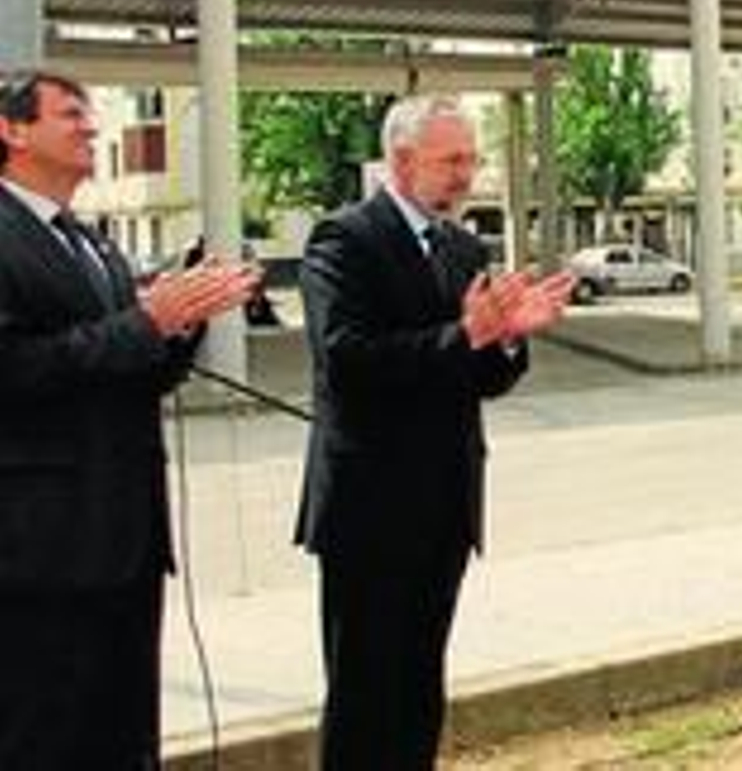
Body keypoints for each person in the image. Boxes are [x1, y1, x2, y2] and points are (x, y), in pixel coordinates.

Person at [295, 95, 576, 769]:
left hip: (445, 502)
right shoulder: (345, 239)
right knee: (367, 691)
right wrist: (468, 333)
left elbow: (481, 376)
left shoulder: (461, 245)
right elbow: (348, 361)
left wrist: (507, 340)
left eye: (472, 159)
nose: (466, 174)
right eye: (451, 160)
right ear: (401, 159)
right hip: (371, 506)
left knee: (421, 684)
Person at [0, 69, 258, 768]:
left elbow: (134, 375)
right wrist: (143, 322)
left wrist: (181, 324)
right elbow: (16, 369)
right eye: (70, 113)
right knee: (42, 737)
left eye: (90, 113)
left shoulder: (95, 243)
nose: (91, 126)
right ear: (12, 129)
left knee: (121, 735)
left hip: (124, 539)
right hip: (40, 549)